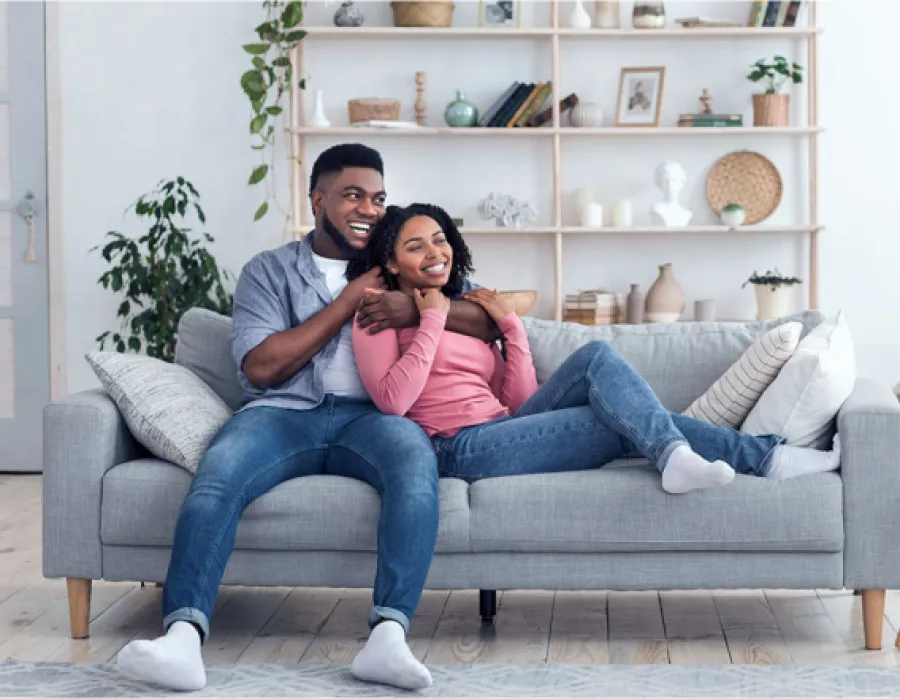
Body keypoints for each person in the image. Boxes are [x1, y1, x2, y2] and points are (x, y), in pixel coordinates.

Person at [115, 145, 496, 692]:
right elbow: (261, 366)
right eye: (353, 195)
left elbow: (489, 318)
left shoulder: (401, 262)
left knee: (416, 472)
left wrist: (414, 306)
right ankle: (181, 639)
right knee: (218, 477)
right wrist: (347, 303)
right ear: (317, 200)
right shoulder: (269, 271)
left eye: (378, 198)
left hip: (374, 417)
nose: (369, 209)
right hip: (282, 413)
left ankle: (388, 639)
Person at [348, 202, 842, 491]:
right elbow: (393, 401)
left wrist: (511, 330)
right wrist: (430, 319)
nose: (434, 252)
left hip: (502, 427)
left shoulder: (466, 309)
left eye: (439, 240)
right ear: (391, 263)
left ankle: (681, 454)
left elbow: (517, 402)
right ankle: (758, 459)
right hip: (458, 449)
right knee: (614, 419)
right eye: (415, 246)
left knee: (597, 357)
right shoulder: (377, 315)